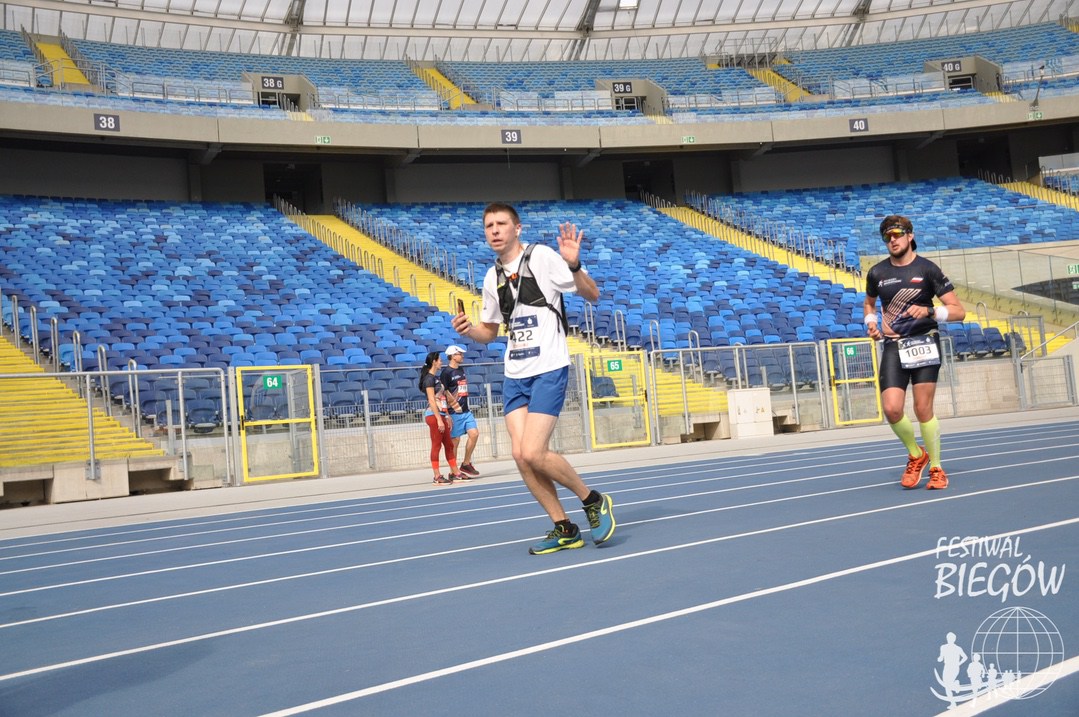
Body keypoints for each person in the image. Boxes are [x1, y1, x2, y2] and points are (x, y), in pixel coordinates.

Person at [451, 202, 616, 555]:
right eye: (489, 226)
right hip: (516, 373)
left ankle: (592, 499)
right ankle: (564, 527)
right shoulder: (491, 277)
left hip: (548, 367)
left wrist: (574, 265)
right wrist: (469, 330)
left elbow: (592, 293)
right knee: (520, 455)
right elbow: (490, 332)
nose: (495, 230)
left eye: (501, 224)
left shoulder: (541, 257)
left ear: (517, 228)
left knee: (533, 450)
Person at [864, 214, 966, 490]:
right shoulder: (877, 273)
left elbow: (959, 312)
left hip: (924, 343)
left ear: (910, 236)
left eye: (897, 234)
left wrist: (930, 311)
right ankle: (916, 454)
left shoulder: (928, 269)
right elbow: (869, 304)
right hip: (893, 345)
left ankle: (937, 468)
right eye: (887, 237)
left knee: (922, 409)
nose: (892, 240)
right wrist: (871, 323)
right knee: (891, 408)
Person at [418, 351, 464, 485]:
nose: (441, 362)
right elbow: (432, 400)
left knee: (449, 445)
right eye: (439, 360)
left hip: (442, 414)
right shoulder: (429, 379)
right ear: (434, 362)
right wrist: (439, 419)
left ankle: (456, 473)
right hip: (433, 415)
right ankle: (437, 475)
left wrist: (447, 415)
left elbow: (443, 398)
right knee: (436, 445)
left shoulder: (436, 378)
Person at [440, 344, 481, 477]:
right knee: (455, 441)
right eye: (460, 354)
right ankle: (453, 471)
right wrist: (446, 413)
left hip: (466, 410)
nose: (462, 356)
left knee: (474, 434)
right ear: (453, 356)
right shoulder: (446, 373)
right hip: (454, 412)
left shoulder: (461, 369)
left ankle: (466, 463)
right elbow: (443, 393)